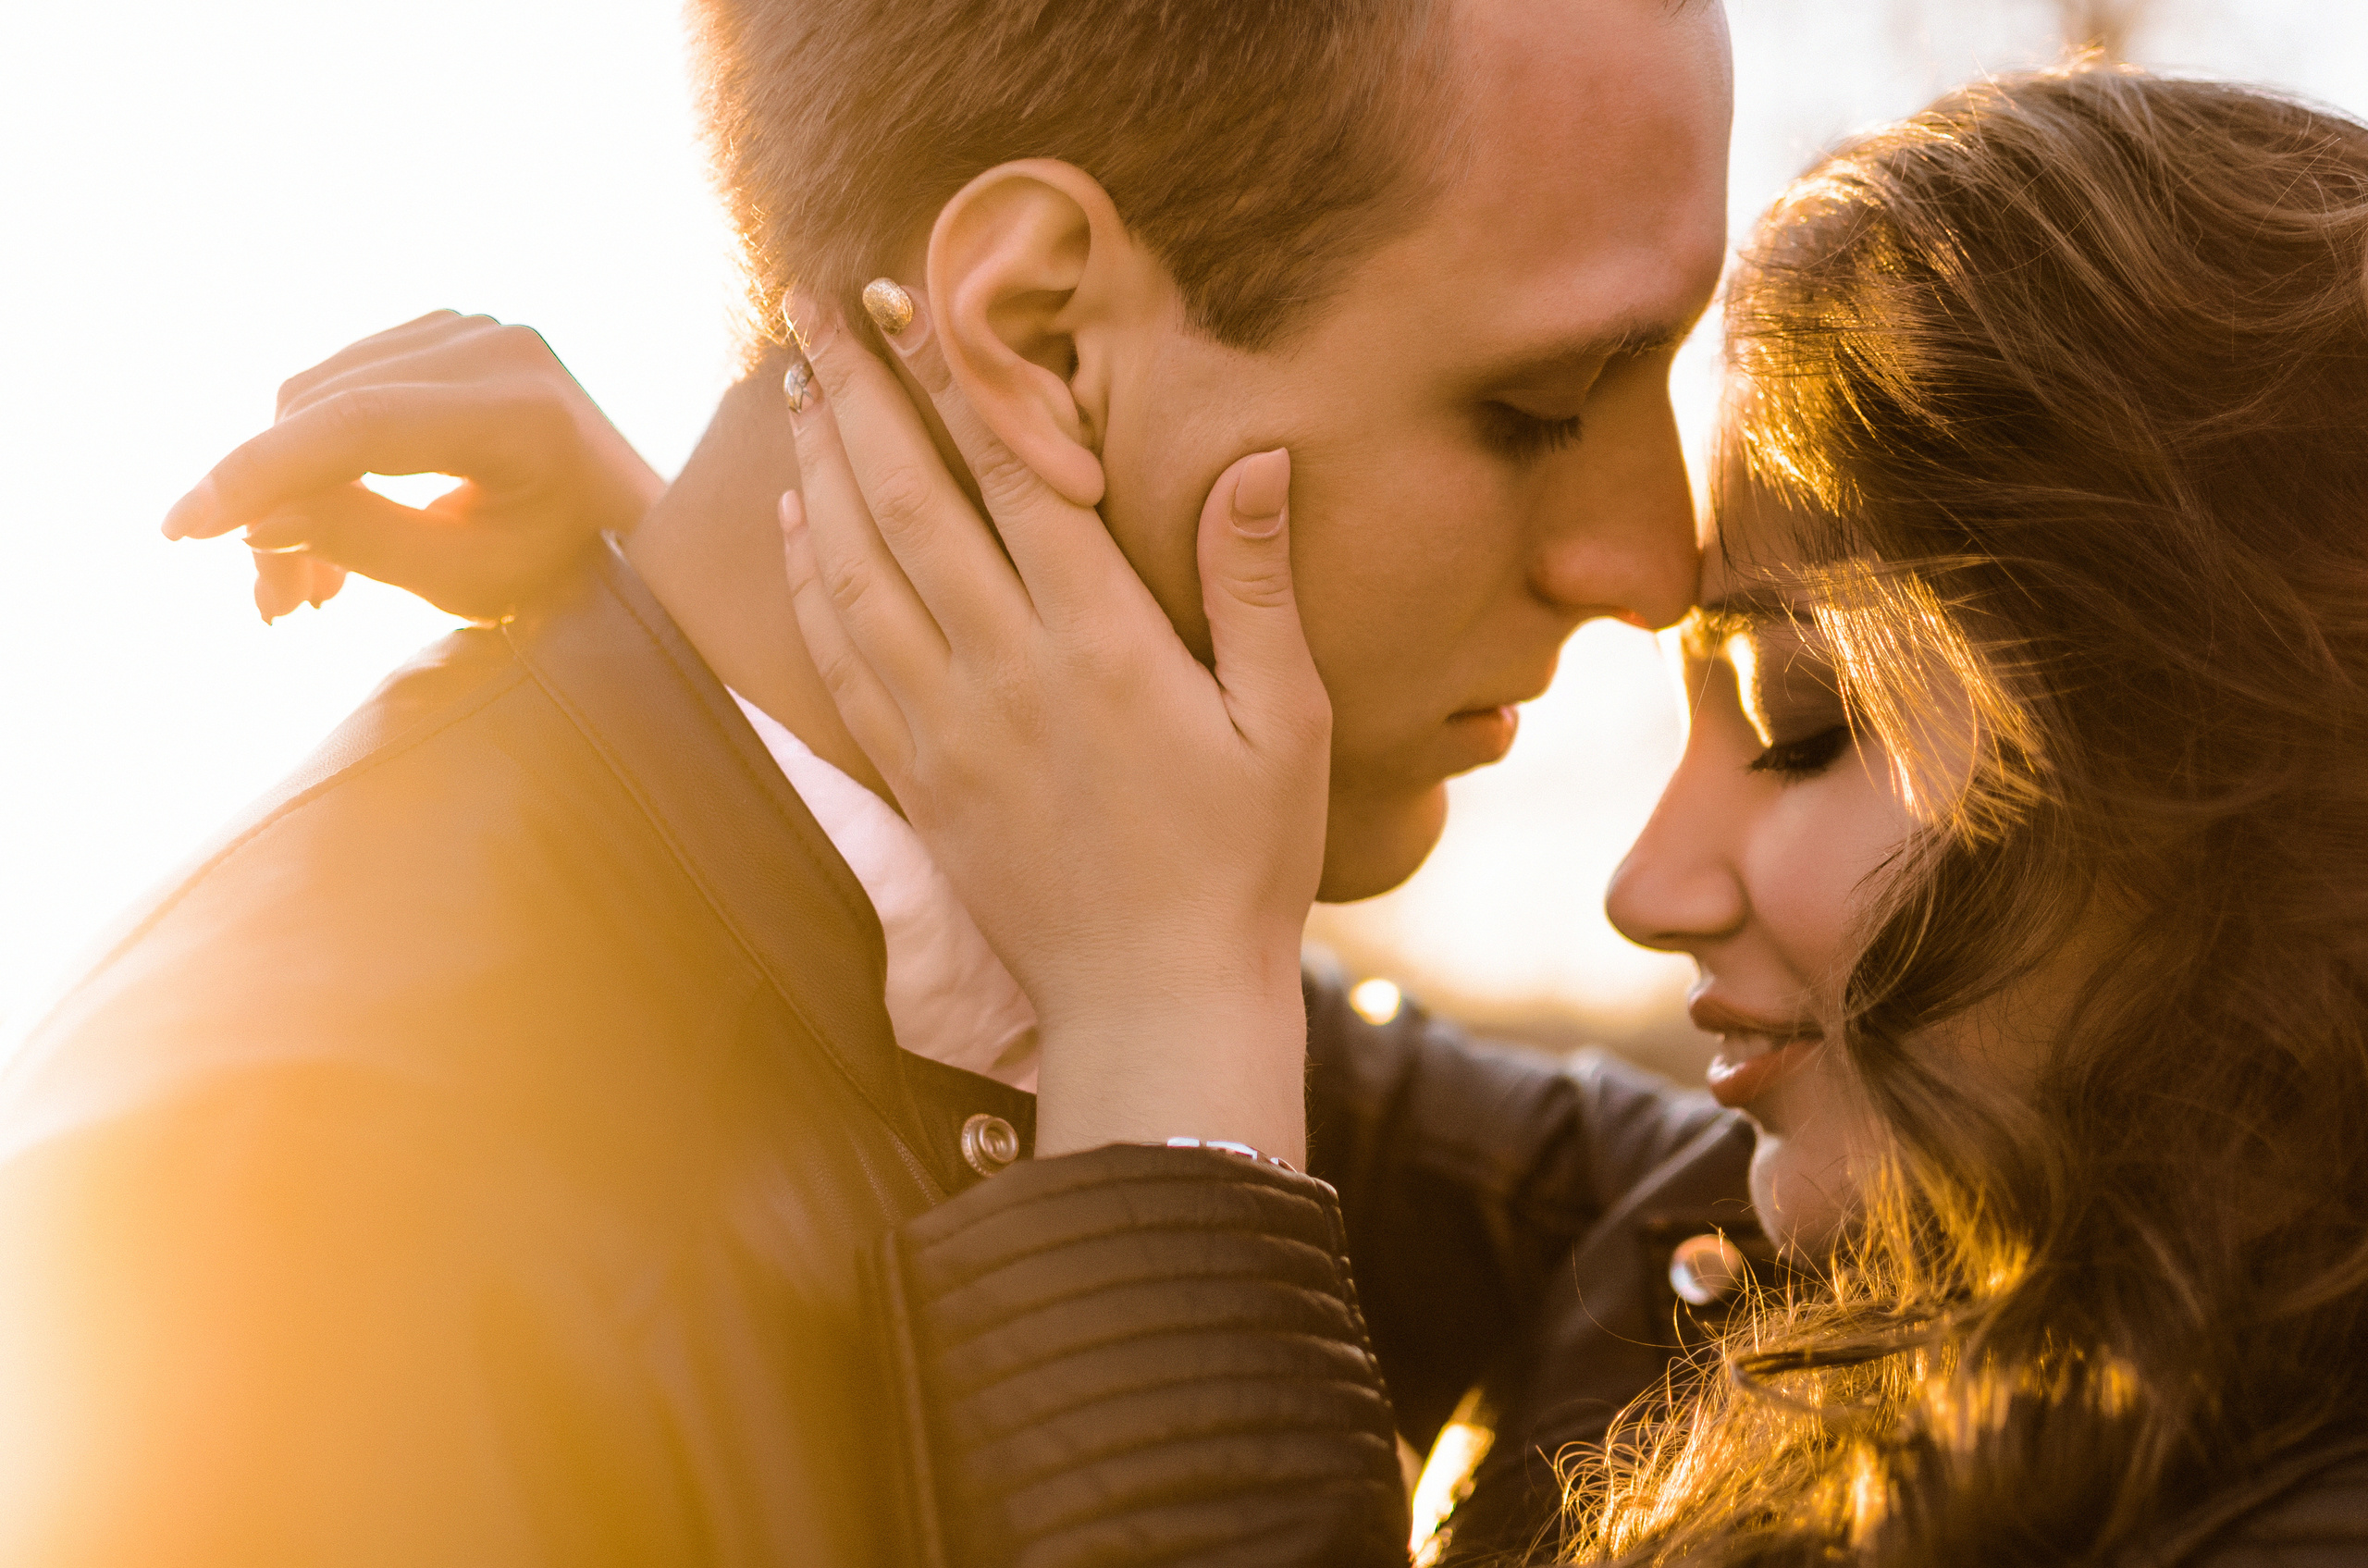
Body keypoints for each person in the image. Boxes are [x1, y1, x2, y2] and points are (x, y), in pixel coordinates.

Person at [0, 1, 1733, 1563]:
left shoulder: (1066, 971)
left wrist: (707, 616)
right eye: (1547, 398)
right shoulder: (284, 1254)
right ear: (1044, 339)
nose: (1661, 563)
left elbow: (1768, 1222)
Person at [710, 64, 2368, 1562]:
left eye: (1807, 725)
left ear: (2241, 762)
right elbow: (1273, 1049)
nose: (1647, 886)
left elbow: (1182, 1022)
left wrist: (1158, 1004)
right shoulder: (1732, 1259)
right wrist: (723, 619)